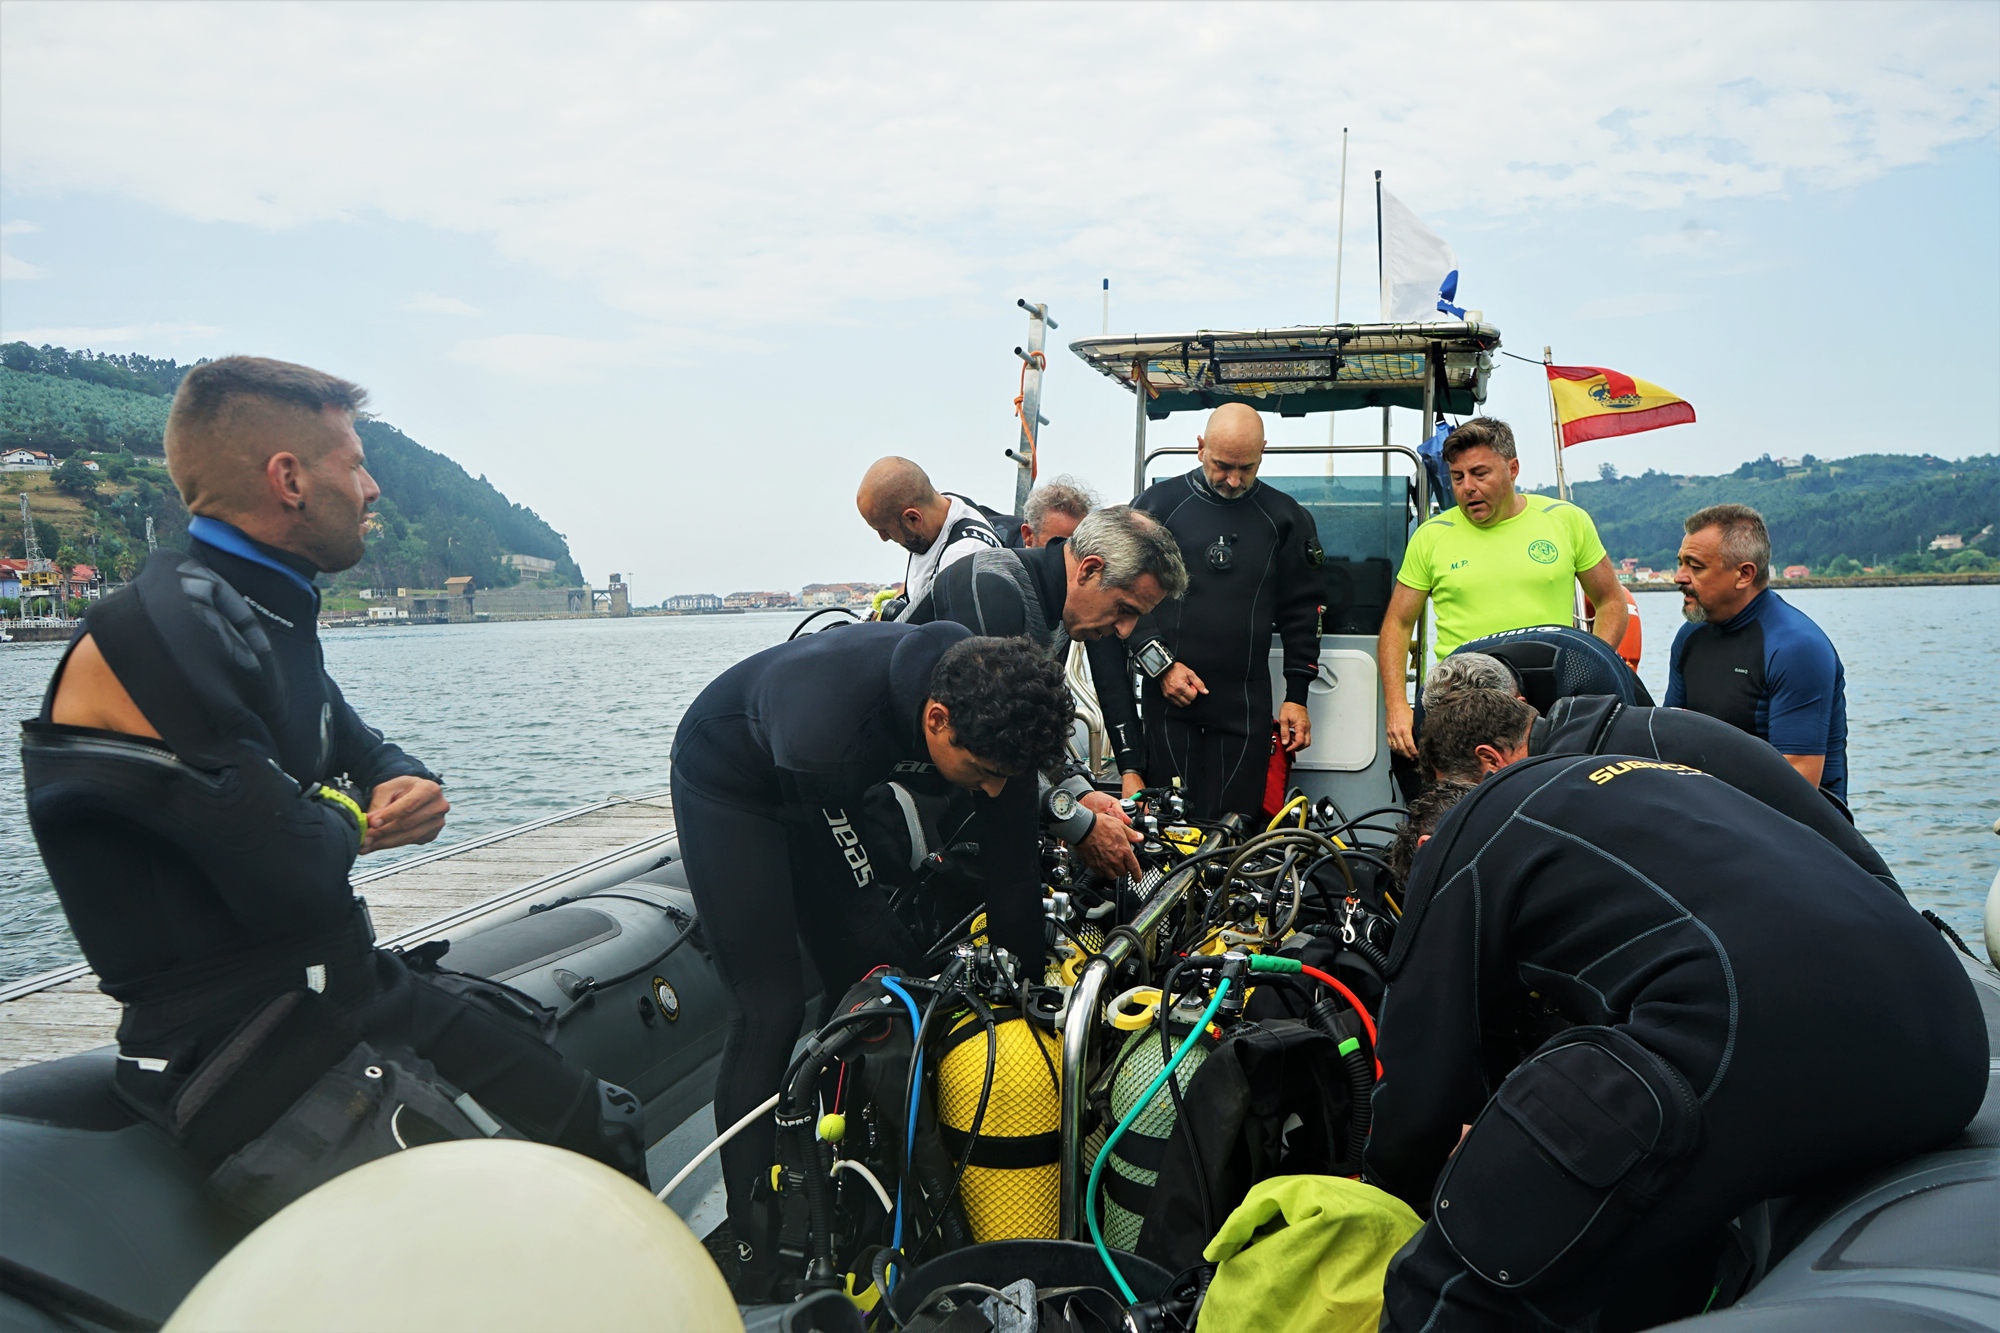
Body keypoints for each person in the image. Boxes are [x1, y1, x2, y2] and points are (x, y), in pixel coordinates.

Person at [21, 356, 643, 1180]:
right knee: (532, 1211)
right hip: (238, 1054)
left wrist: (402, 781)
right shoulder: (157, 635)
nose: (373, 488)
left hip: (343, 994)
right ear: (289, 479)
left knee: (603, 1124)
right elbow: (293, 871)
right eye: (354, 462)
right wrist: (352, 814)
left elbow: (356, 745)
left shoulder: (257, 610)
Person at [1368, 758, 1986, 1332]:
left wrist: (1385, 1187)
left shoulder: (1462, 846)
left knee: (1454, 1275)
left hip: (1753, 1028)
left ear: (1426, 850)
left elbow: (1424, 1080)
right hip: (1952, 1043)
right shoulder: (1634, 779)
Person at [668, 625, 1073, 1289]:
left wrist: (1024, 993)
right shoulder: (832, 732)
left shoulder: (995, 717)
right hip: (733, 778)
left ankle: (861, 1169)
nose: (992, 789)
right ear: (936, 721)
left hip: (828, 771)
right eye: (981, 774)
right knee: (770, 1006)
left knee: (896, 967)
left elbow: (1011, 866)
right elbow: (843, 884)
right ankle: (753, 1236)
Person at [904, 504, 1188, 878]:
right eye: (1123, 609)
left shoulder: (1060, 609)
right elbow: (994, 740)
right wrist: (1079, 824)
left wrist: (1081, 792)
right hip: (904, 783)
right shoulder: (995, 591)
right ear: (1089, 569)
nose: (1124, 630)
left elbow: (1032, 727)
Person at [1416, 683, 1899, 893]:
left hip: (1850, 901)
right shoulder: (1606, 729)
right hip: (1850, 883)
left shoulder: (1585, 773)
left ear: (1490, 761)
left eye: (1472, 798)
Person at [1117, 403, 1323, 819]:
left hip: (1243, 704)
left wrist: (1297, 697)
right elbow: (1122, 600)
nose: (1233, 480)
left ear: (1263, 451)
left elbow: (1304, 611)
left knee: (1234, 829)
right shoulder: (1158, 507)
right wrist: (1161, 668)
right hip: (1170, 699)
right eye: (1222, 465)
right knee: (1170, 828)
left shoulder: (1284, 518)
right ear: (1199, 448)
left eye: (1246, 468)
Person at [1379, 418, 1628, 760]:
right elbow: (1398, 624)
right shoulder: (1431, 535)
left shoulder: (1566, 520)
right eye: (1457, 477)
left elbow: (1610, 601)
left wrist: (1589, 667)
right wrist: (1396, 707)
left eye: (1480, 474)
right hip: (1461, 699)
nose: (1468, 487)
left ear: (1513, 469)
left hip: (1550, 698)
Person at [1668, 503, 1850, 802]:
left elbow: (1798, 782)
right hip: (1710, 807)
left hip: (1801, 827)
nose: (1679, 577)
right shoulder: (1691, 635)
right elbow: (1669, 741)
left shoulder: (1796, 648)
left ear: (1744, 575)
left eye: (1695, 566)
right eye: (1680, 563)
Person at [856, 457, 1003, 614]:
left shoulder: (962, 559)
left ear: (913, 518)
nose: (883, 538)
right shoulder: (940, 504)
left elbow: (950, 635)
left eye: (885, 529)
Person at [1020, 476, 1097, 547]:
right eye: (1057, 544)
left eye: (1076, 546)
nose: (1068, 554)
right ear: (1028, 534)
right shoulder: (1009, 558)